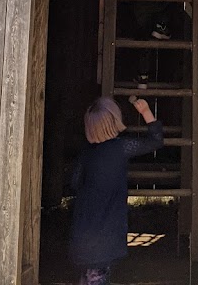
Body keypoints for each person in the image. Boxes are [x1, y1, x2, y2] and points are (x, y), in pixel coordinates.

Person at [70, 95, 164, 285]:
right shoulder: (120, 148)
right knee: (97, 278)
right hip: (106, 235)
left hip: (82, 232)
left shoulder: (86, 153)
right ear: (114, 121)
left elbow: (74, 183)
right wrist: (146, 112)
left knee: (87, 277)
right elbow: (156, 141)